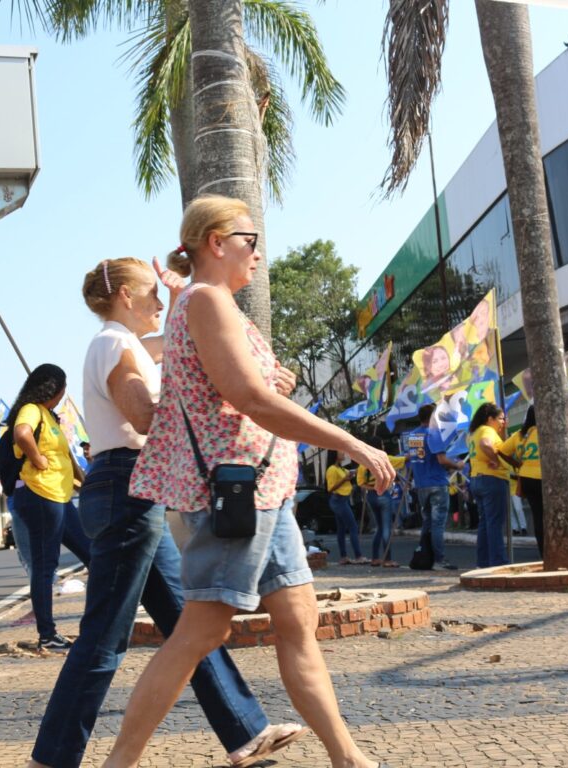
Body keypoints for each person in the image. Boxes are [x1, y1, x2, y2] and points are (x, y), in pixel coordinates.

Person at [103, 195, 395, 768]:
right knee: (198, 634)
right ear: (216, 242)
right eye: (250, 239)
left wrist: (271, 380)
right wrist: (351, 443)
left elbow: (241, 391)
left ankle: (349, 758)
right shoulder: (207, 301)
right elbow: (248, 399)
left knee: (296, 623)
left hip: (266, 491)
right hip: (241, 494)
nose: (258, 253)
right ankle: (119, 763)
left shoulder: (213, 307)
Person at [28, 257, 303, 768]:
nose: (158, 301)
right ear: (125, 297)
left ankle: (247, 731)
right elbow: (146, 415)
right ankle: (52, 758)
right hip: (125, 489)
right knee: (105, 638)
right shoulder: (114, 344)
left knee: (190, 624)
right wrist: (239, 398)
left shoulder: (125, 342)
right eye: (151, 292)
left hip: (133, 490)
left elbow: (179, 351)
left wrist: (184, 303)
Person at [7, 364, 91, 651]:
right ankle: (47, 634)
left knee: (93, 553)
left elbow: (67, 457)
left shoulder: (49, 416)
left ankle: (98, 624)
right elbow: (21, 433)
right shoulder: (31, 409)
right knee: (46, 565)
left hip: (61, 497)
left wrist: (85, 482)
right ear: (55, 389)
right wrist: (38, 460)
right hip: (42, 494)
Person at [407, 404, 465, 571]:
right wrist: (457, 466)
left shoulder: (413, 435)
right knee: (438, 524)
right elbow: (442, 460)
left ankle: (426, 556)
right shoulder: (433, 433)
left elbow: (414, 459)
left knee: (427, 522)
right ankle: (439, 560)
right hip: (437, 483)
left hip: (421, 484)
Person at [467, 402, 515, 568]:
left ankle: (483, 562)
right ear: (490, 419)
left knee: (485, 523)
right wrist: (495, 460)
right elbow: (486, 445)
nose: (503, 421)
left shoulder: (474, 433)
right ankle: (498, 561)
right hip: (492, 479)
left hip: (476, 479)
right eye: (501, 418)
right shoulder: (488, 431)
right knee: (494, 523)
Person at [500, 406, 542, 555]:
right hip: (543, 479)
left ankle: (543, 552)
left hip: (525, 478)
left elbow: (502, 451)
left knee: (538, 516)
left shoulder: (520, 435)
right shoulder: (547, 432)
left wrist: (516, 464)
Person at [357, 441, 406, 566]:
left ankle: (375, 558)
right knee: (386, 529)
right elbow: (403, 460)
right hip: (383, 494)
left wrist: (372, 487)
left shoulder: (363, 463)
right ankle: (387, 559)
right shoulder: (385, 459)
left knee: (379, 528)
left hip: (371, 496)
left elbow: (360, 483)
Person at [325, 450, 368, 564]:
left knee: (341, 529)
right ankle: (358, 556)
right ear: (335, 455)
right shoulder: (332, 469)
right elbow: (330, 488)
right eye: (340, 452)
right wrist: (344, 479)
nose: (343, 454)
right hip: (338, 500)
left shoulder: (341, 469)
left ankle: (343, 557)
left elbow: (353, 472)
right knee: (353, 527)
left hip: (343, 500)